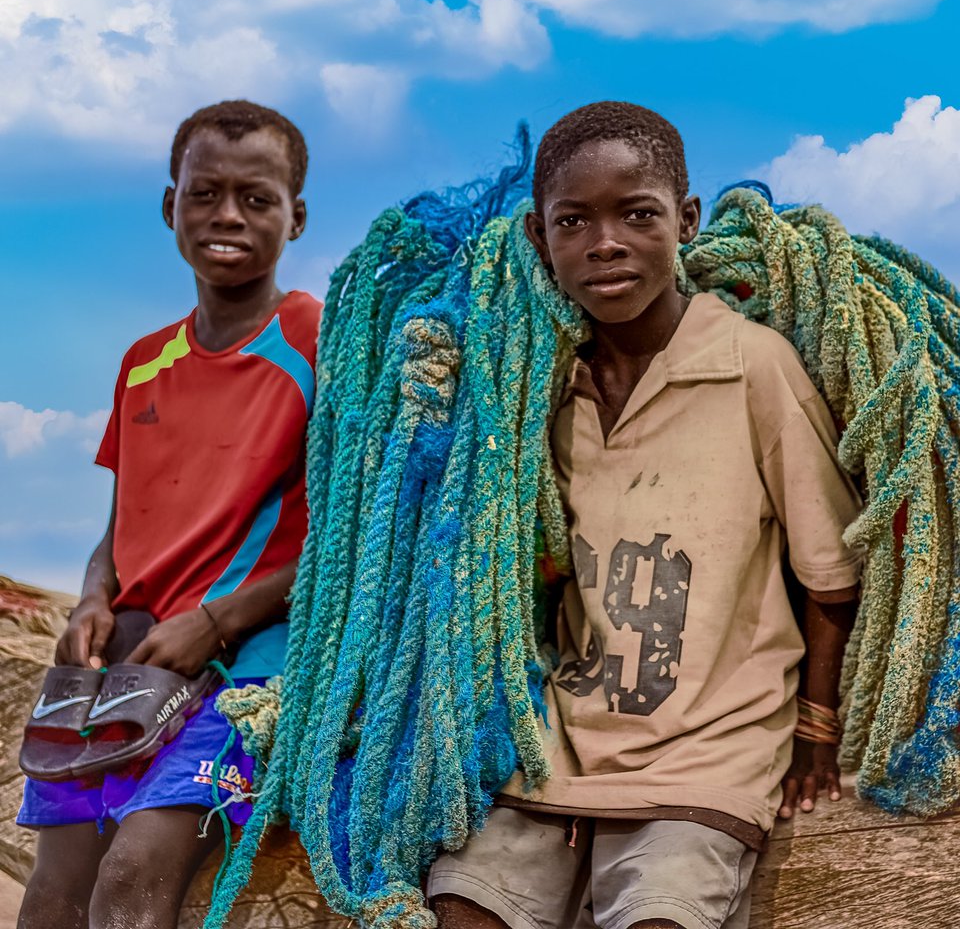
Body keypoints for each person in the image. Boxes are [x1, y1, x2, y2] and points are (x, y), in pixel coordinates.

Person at [428, 102, 862, 929]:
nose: (605, 244)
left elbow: (830, 575)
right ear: (537, 238)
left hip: (709, 751)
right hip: (556, 748)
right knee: (462, 910)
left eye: (637, 214)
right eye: (573, 222)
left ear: (686, 221)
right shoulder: (532, 391)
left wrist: (817, 729)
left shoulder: (751, 368)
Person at [17, 99, 322, 929]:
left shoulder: (319, 341)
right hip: (124, 666)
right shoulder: (143, 361)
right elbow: (117, 531)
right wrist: (90, 601)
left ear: (296, 217)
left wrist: (217, 621)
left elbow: (350, 536)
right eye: (205, 194)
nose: (228, 216)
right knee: (51, 898)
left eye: (257, 199)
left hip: (246, 669)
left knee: (136, 871)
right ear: (169, 207)